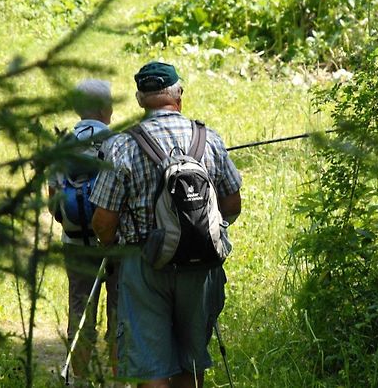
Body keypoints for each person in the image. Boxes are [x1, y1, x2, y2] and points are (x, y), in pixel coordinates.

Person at [89, 62, 242, 388]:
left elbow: (103, 221)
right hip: (201, 265)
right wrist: (200, 231)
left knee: (151, 368)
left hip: (144, 265)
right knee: (192, 362)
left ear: (140, 99)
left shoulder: (122, 146)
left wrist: (116, 250)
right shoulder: (208, 139)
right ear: (179, 95)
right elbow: (232, 204)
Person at [48, 79, 119, 383]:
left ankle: (79, 378)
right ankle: (121, 378)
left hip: (75, 242)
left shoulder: (62, 144)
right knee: (120, 311)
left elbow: (53, 202)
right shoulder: (118, 142)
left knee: (80, 309)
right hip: (117, 244)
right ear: (107, 109)